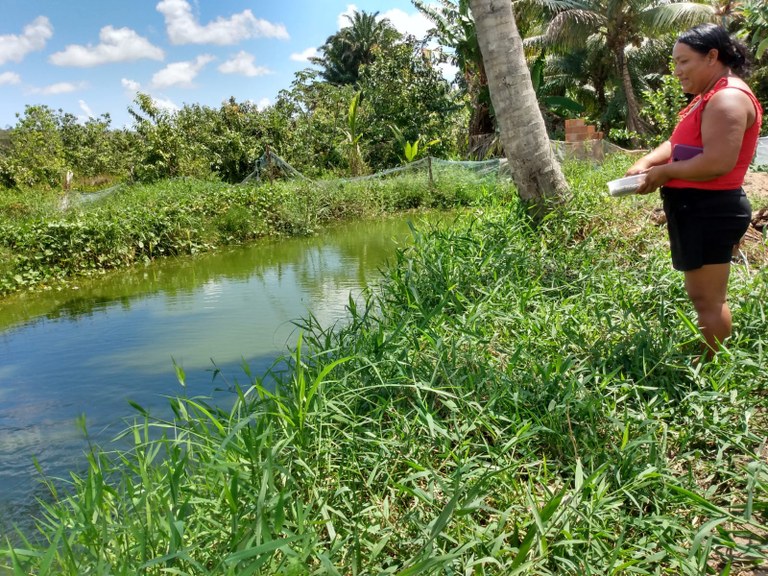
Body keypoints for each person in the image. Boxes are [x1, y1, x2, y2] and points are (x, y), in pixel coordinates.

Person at [627, 23, 763, 357]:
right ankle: (707, 355)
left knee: (708, 299)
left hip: (709, 208)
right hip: (696, 207)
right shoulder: (708, 97)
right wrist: (647, 161)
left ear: (712, 56)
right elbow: (677, 142)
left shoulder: (728, 98)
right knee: (701, 294)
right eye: (675, 63)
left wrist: (663, 172)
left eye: (684, 61)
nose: (677, 71)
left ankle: (709, 365)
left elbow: (717, 162)